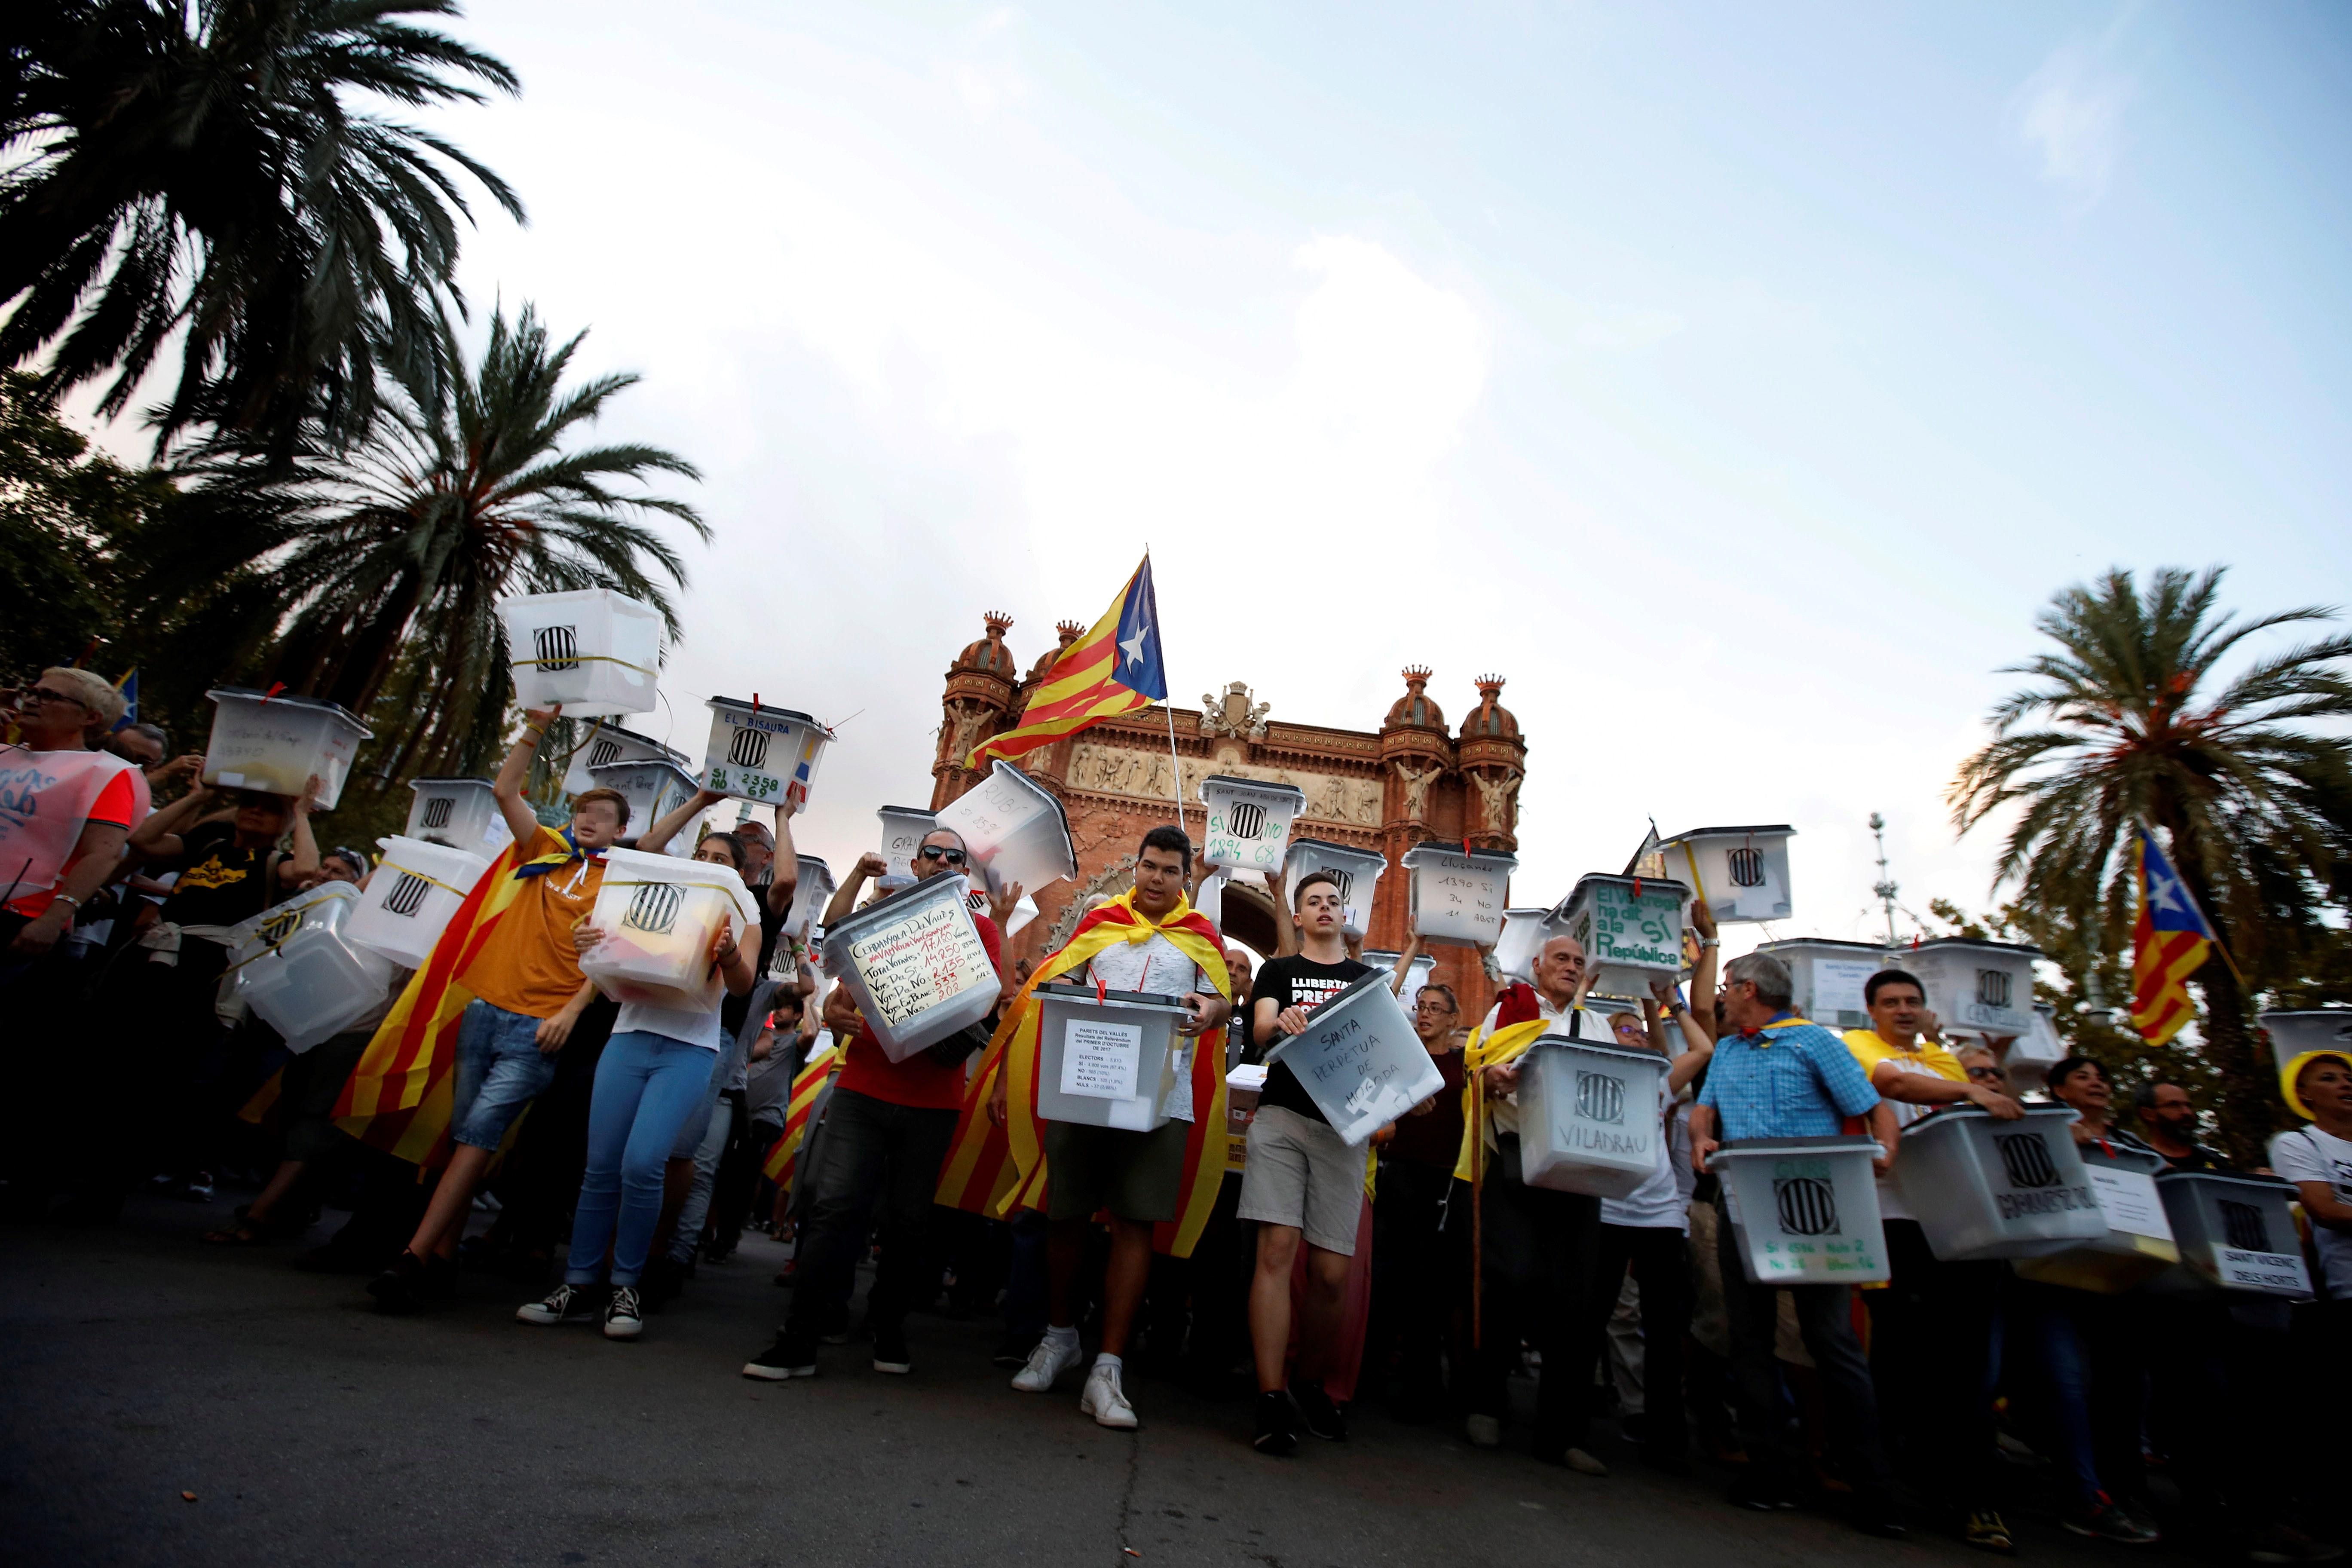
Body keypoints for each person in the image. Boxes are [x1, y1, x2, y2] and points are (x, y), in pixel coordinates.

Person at [367, 706, 623, 1313]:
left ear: (620, 832)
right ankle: (440, 1261)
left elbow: (610, 966)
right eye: (585, 810)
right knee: (465, 1137)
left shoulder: (617, 886)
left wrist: (570, 1010)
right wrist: (534, 728)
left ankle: (411, 1255)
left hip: (539, 1029)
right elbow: (505, 790)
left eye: (605, 816)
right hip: (486, 1009)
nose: (590, 820)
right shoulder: (544, 850)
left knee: (480, 1135)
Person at [740, 825, 1003, 1381]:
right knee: (836, 1210)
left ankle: (888, 1326)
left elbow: (986, 1002)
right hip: (864, 1087)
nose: (940, 861)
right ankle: (800, 1336)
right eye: (931, 852)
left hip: (933, 1099)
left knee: (908, 1224)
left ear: (963, 871)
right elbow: (838, 973)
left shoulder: (981, 930)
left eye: (953, 856)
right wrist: (837, 1014)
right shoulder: (880, 916)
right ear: (918, 861)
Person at [998, 825, 1233, 1429]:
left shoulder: (1200, 936)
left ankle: (1109, 1365)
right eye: (1150, 867)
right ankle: (1058, 1338)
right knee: (1066, 1214)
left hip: (1160, 1102)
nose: (1157, 879)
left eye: (1171, 872)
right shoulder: (1098, 920)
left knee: (1134, 1225)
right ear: (1136, 867)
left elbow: (1221, 1003)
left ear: (1186, 879)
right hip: (1085, 1089)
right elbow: (1061, 982)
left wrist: (1208, 1012)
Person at [516, 791, 760, 1341]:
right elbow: (606, 958)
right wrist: (588, 940)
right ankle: (579, 1282)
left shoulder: (743, 913)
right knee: (600, 1165)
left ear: (739, 874)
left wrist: (726, 955)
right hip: (628, 1036)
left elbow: (742, 987)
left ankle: (626, 1282)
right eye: (704, 855)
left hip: (689, 1049)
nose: (710, 866)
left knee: (644, 1163)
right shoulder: (657, 893)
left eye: (722, 861)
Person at [1686, 949, 1903, 1534]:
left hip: (1815, 1213)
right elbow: (1704, 1113)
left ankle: (1873, 1487)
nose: (1722, 997)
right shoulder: (1729, 1049)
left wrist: (1885, 1154)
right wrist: (1701, 1138)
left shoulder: (1816, 1043)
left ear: (1751, 990)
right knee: (1749, 1341)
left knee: (1831, 1342)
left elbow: (1875, 1110)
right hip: (1742, 1207)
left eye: (1730, 987)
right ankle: (1770, 1472)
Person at [1840, 967, 2025, 1555]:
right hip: (1895, 1226)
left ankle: (1977, 1500)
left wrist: (1983, 1083)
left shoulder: (1946, 1062)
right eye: (1891, 1001)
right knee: (1897, 1360)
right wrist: (1971, 1090)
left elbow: (1986, 1116)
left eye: (1912, 1001)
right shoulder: (1857, 1048)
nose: (1903, 1009)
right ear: (1871, 1010)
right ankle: (1891, 1479)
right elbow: (1893, 1087)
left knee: (1968, 1369)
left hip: (1962, 1227)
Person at [122, 774, 319, 1204]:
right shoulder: (206, 847)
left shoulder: (272, 863)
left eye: (269, 809)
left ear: (282, 824)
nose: (255, 810)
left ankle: (154, 1168)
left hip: (211, 981)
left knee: (183, 1076)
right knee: (132, 1065)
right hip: (161, 966)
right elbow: (142, 841)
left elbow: (306, 869)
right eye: (249, 802)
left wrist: (302, 813)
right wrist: (203, 794)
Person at [1452, 933, 1608, 1474]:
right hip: (1518, 1156)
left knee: (1575, 1301)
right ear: (1538, 966)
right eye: (1561, 959)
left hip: (1580, 1169)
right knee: (1506, 1280)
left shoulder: (1597, 1025)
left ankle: (1562, 1434)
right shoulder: (1509, 1010)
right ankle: (1485, 1403)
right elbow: (1476, 1064)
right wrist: (1490, 1079)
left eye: (1578, 962)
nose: (1570, 967)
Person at [1241, 870, 1377, 1456]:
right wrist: (1282, 1022)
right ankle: (1272, 1397)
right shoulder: (1279, 972)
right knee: (1276, 1251)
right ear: (1297, 917)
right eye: (1312, 902)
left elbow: (1384, 1053)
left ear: (1345, 914)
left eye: (1332, 901)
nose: (1324, 908)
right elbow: (1261, 1025)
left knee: (1330, 1276)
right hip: (1284, 1119)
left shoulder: (1368, 981)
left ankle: (1309, 1382)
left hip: (1344, 1132)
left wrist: (1411, 1094)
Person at [2002, 1055, 2162, 1544]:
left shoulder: (2133, 1147)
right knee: (2067, 1385)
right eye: (2082, 1077)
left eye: (2103, 1077)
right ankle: (2084, 1495)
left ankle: (2121, 1492)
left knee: (2123, 1391)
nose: (2097, 1083)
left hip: (2117, 1283)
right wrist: (2055, 1147)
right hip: (2054, 1279)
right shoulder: (2036, 1128)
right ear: (2057, 1091)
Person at [1363, 962, 1468, 1422]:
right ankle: (1369, 1376)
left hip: (1443, 1183)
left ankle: (1422, 1386)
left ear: (1452, 1019)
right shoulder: (1400, 1055)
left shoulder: (1464, 1066)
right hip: (1398, 1174)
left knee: (1431, 1287)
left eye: (1435, 1009)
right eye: (1421, 1007)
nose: (1424, 1014)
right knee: (1385, 1279)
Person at [2135, 1080, 2229, 1172]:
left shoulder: (2215, 1160)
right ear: (2148, 1114)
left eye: (2188, 1106)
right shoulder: (2141, 1165)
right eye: (2174, 1105)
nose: (2187, 1112)